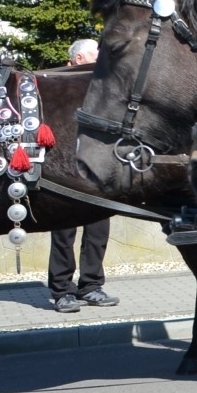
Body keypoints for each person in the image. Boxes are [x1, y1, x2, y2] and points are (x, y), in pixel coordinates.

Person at [47, 38, 117, 313]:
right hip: (64, 167)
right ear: (78, 60)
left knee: (98, 230)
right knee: (63, 232)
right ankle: (62, 290)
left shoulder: (99, 84)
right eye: (95, 55)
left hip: (96, 165)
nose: (101, 59)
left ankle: (91, 286)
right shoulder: (56, 83)